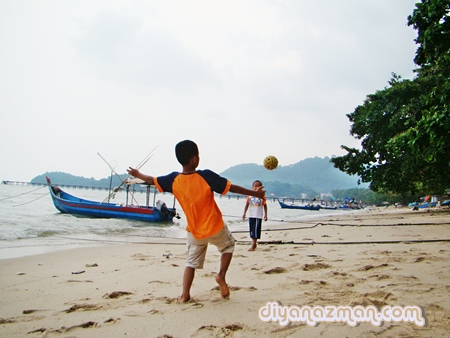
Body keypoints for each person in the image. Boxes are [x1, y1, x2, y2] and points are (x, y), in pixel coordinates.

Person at [127, 140, 265, 303]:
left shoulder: (173, 179)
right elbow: (232, 188)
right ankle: (221, 275)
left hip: (194, 231)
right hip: (215, 226)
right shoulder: (205, 176)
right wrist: (254, 194)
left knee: (190, 263)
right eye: (197, 155)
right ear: (194, 159)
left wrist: (138, 174)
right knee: (228, 246)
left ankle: (185, 294)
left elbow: (151, 180)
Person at [242, 180, 268, 251]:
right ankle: (254, 243)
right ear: (252, 187)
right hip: (251, 215)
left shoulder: (262, 196)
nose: (256, 187)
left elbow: (265, 205)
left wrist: (265, 214)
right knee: (252, 230)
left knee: (256, 230)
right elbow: (247, 204)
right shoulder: (249, 195)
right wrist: (244, 213)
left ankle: (254, 244)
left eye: (258, 186)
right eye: (255, 186)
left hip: (258, 216)